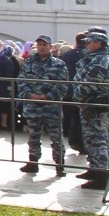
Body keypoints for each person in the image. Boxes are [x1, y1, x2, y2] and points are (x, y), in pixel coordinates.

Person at [15, 35, 71, 177]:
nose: (41, 47)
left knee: (56, 138)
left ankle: (59, 165)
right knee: (33, 136)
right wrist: (29, 95)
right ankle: (33, 163)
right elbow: (21, 81)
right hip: (32, 106)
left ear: (50, 47)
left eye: (44, 45)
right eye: (39, 44)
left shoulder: (59, 64)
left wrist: (47, 96)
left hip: (51, 107)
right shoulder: (28, 62)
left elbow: (63, 85)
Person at [72, 28, 109, 190]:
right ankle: (95, 169)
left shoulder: (101, 60)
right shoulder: (94, 58)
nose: (85, 45)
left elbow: (88, 84)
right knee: (91, 139)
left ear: (98, 43)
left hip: (96, 106)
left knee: (99, 141)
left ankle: (103, 176)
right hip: (90, 106)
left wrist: (78, 99)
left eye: (89, 42)